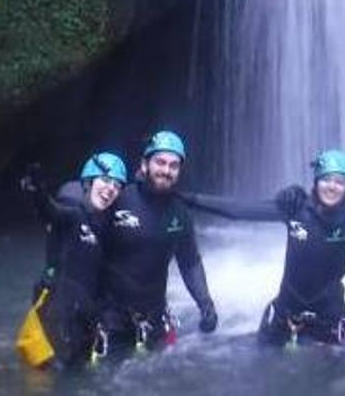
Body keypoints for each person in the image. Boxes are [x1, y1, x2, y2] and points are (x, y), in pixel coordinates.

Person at [185, 149, 345, 347]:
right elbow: (239, 211)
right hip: (283, 317)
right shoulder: (296, 210)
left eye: (339, 181)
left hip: (330, 322)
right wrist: (190, 199)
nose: (332, 186)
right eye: (326, 179)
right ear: (316, 182)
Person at [99, 130, 217, 352]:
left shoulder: (180, 213)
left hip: (154, 322)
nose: (166, 170)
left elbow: (190, 262)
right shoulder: (119, 198)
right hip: (109, 322)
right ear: (145, 165)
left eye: (174, 165)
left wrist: (205, 303)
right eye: (160, 162)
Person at [17, 152, 127, 368]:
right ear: (87, 183)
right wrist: (38, 191)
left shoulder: (104, 229)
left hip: (81, 324)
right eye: (105, 180)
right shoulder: (72, 215)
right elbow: (50, 211)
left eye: (116, 185)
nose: (110, 188)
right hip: (56, 317)